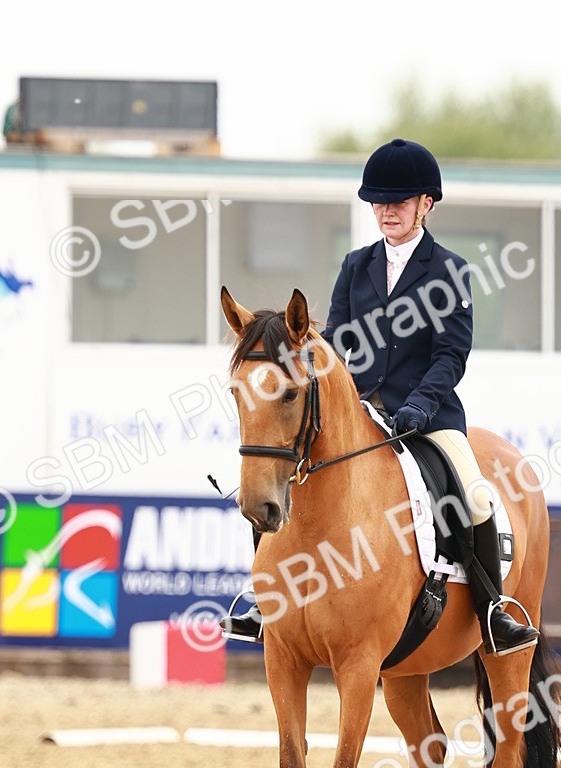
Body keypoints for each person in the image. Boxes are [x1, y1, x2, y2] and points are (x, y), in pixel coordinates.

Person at [224, 137, 538, 657]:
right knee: (282, 477)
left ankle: (491, 610)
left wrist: (419, 403)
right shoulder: (355, 266)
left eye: (399, 201)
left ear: (425, 205)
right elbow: (338, 342)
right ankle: (264, 599)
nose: (387, 211)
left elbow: (451, 355)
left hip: (429, 417)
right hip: (360, 413)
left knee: (477, 496)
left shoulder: (449, 270)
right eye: (379, 202)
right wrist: (348, 399)